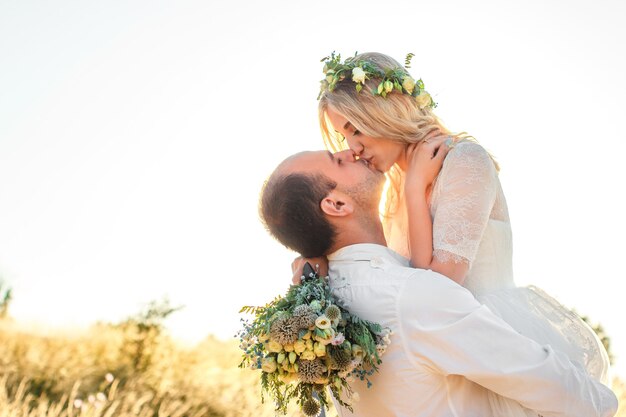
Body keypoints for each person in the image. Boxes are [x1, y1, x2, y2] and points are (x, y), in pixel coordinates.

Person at [293, 52, 611, 391]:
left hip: (493, 344)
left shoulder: (463, 160)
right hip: (438, 355)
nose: (353, 148)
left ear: (383, 111)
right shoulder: (389, 191)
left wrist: (416, 190)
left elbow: (441, 289)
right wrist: (319, 262)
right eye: (344, 138)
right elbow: (390, 279)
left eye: (355, 129)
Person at [259, 149, 618, 417]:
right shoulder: (410, 295)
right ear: (336, 203)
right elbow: (554, 386)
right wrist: (606, 403)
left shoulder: (319, 305)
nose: (349, 150)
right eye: (337, 161)